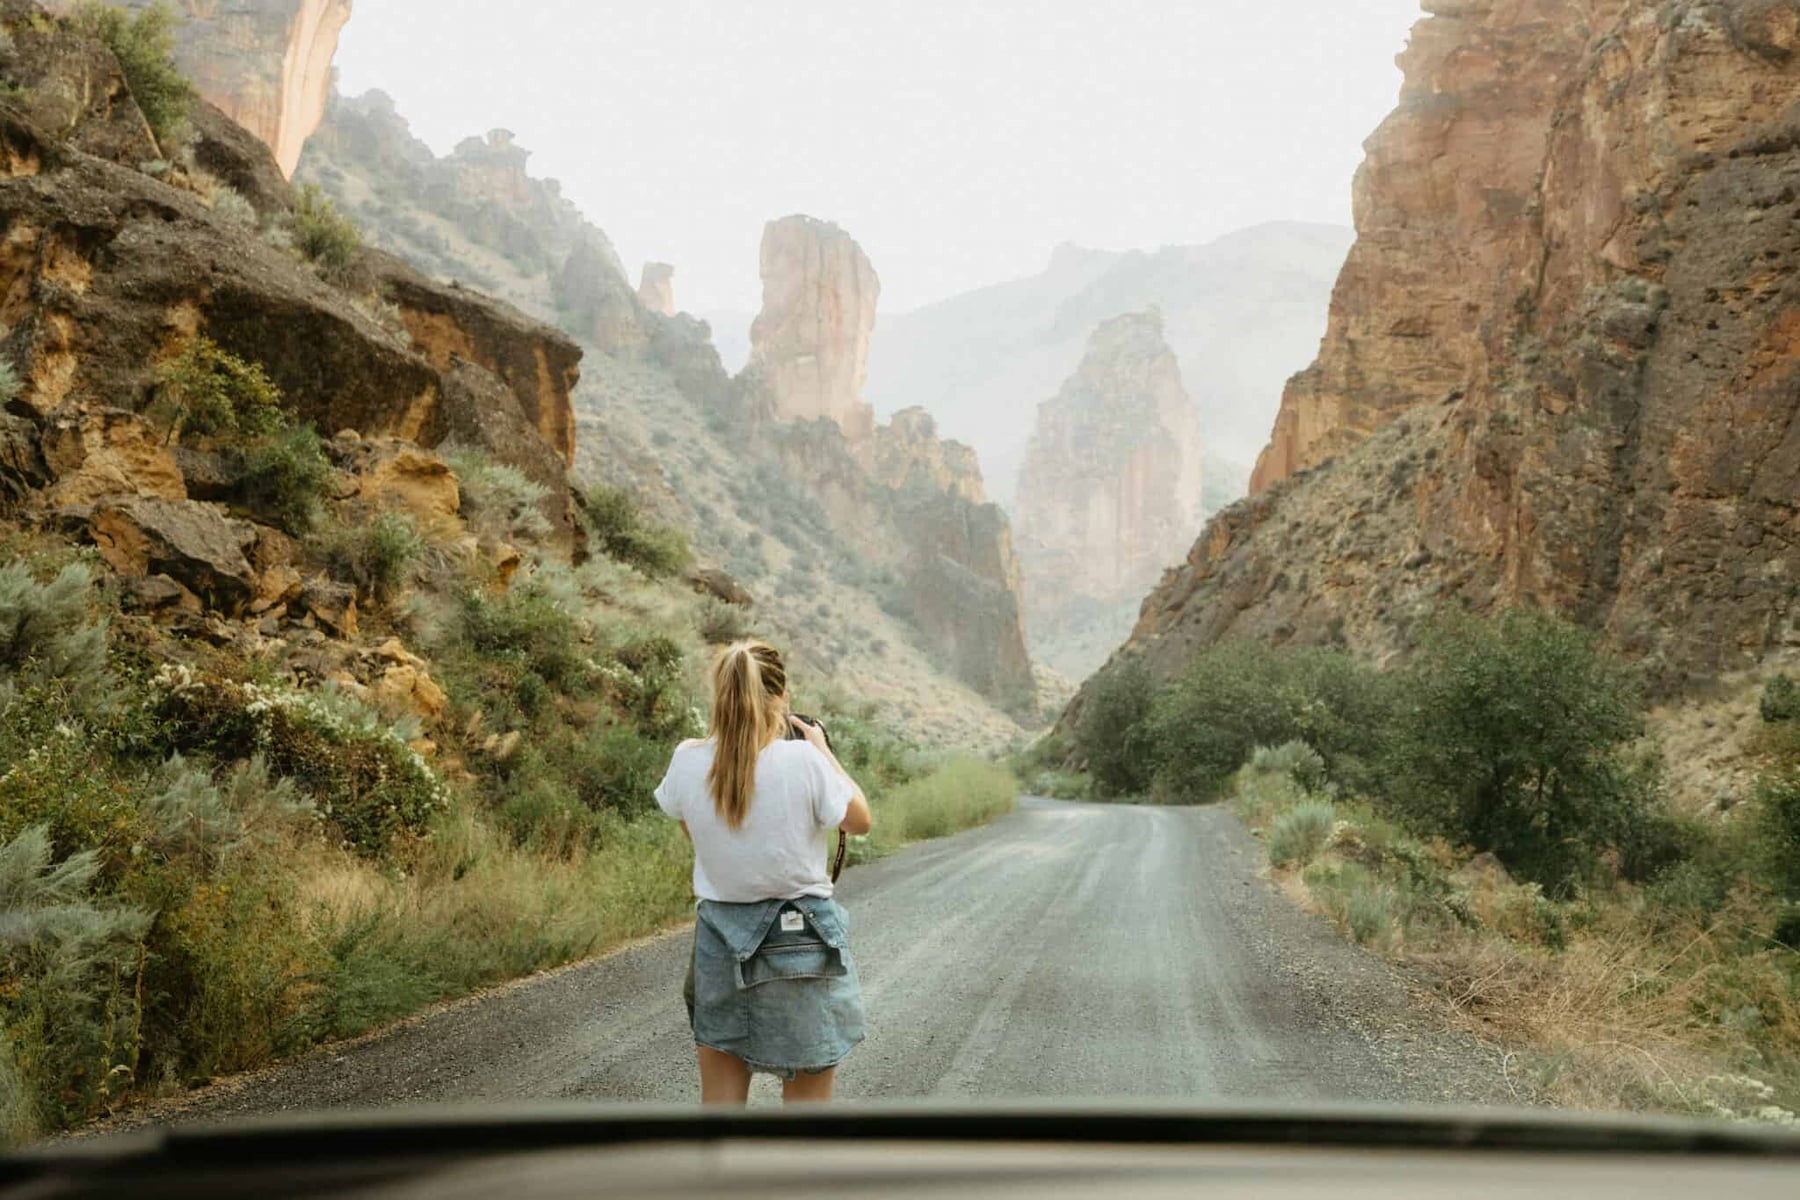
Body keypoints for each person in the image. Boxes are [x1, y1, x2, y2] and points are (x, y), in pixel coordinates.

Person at [654, 640, 874, 1104]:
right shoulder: (804, 760)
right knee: (805, 1122)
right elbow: (860, 821)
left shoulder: (686, 760)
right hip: (801, 940)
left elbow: (695, 835)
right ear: (781, 698)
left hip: (719, 941)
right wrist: (823, 750)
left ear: (721, 696)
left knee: (720, 1109)